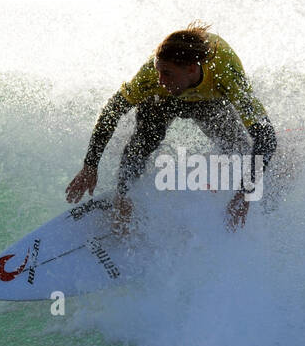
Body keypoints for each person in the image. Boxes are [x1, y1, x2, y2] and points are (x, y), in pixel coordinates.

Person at [65, 23, 277, 232]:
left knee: (238, 147)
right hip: (164, 101)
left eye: (167, 73)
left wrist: (244, 195)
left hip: (209, 100)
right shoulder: (153, 77)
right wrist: (90, 165)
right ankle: (123, 199)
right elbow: (112, 110)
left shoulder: (226, 73)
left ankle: (253, 180)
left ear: (191, 69)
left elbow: (266, 137)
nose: (160, 79)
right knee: (144, 140)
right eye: (158, 71)